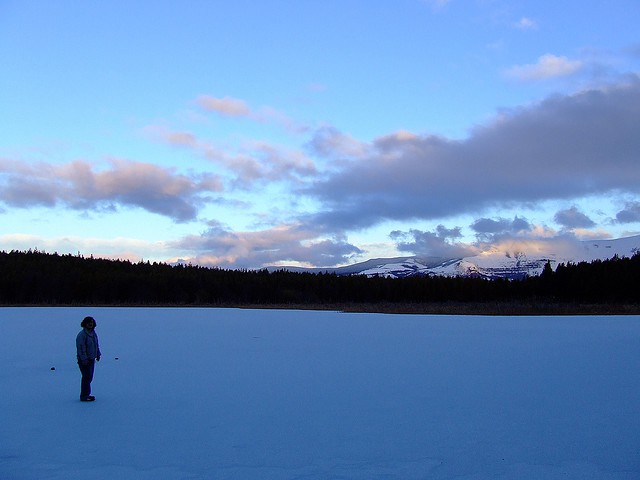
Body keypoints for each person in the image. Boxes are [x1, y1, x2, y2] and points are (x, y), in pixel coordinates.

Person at [76, 316, 101, 402]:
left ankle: (87, 394)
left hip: (91, 359)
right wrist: (83, 359)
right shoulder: (82, 335)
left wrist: (98, 354)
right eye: (89, 322)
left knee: (89, 377)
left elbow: (96, 345)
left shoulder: (93, 333)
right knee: (86, 377)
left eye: (92, 322)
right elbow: (81, 348)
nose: (90, 324)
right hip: (84, 361)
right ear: (85, 324)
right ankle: (84, 395)